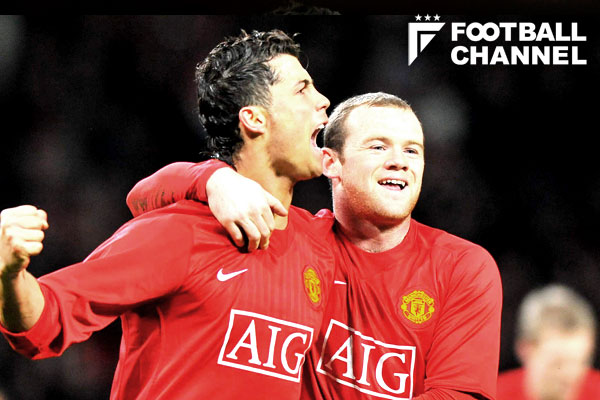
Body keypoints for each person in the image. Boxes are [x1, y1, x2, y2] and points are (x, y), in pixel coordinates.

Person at [0, 29, 337, 399]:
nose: (322, 100)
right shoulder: (182, 233)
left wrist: (208, 177)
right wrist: (9, 277)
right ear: (254, 118)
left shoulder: (322, 245)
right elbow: (45, 320)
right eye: (302, 89)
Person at [126, 92, 503, 399]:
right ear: (330, 162)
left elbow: (457, 396)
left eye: (412, 150)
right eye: (378, 147)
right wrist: (214, 180)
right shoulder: (287, 236)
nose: (399, 162)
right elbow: (142, 199)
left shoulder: (462, 267)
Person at [497, 284, 600, 400]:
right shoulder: (492, 395)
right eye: (557, 363)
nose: (570, 375)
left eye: (581, 363)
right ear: (525, 349)